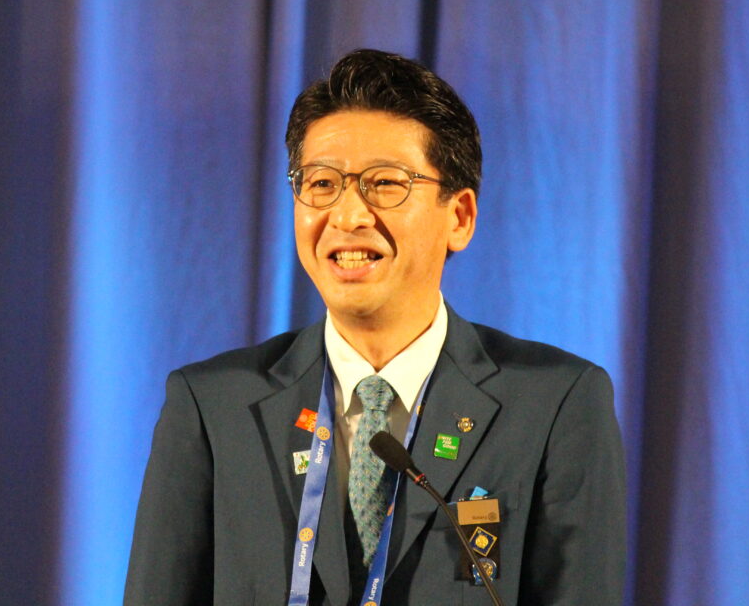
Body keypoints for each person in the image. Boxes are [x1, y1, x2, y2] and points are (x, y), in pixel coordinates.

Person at [124, 49, 625, 605]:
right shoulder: (212, 407)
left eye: (385, 183)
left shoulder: (554, 404)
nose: (347, 215)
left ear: (459, 217)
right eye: (321, 183)